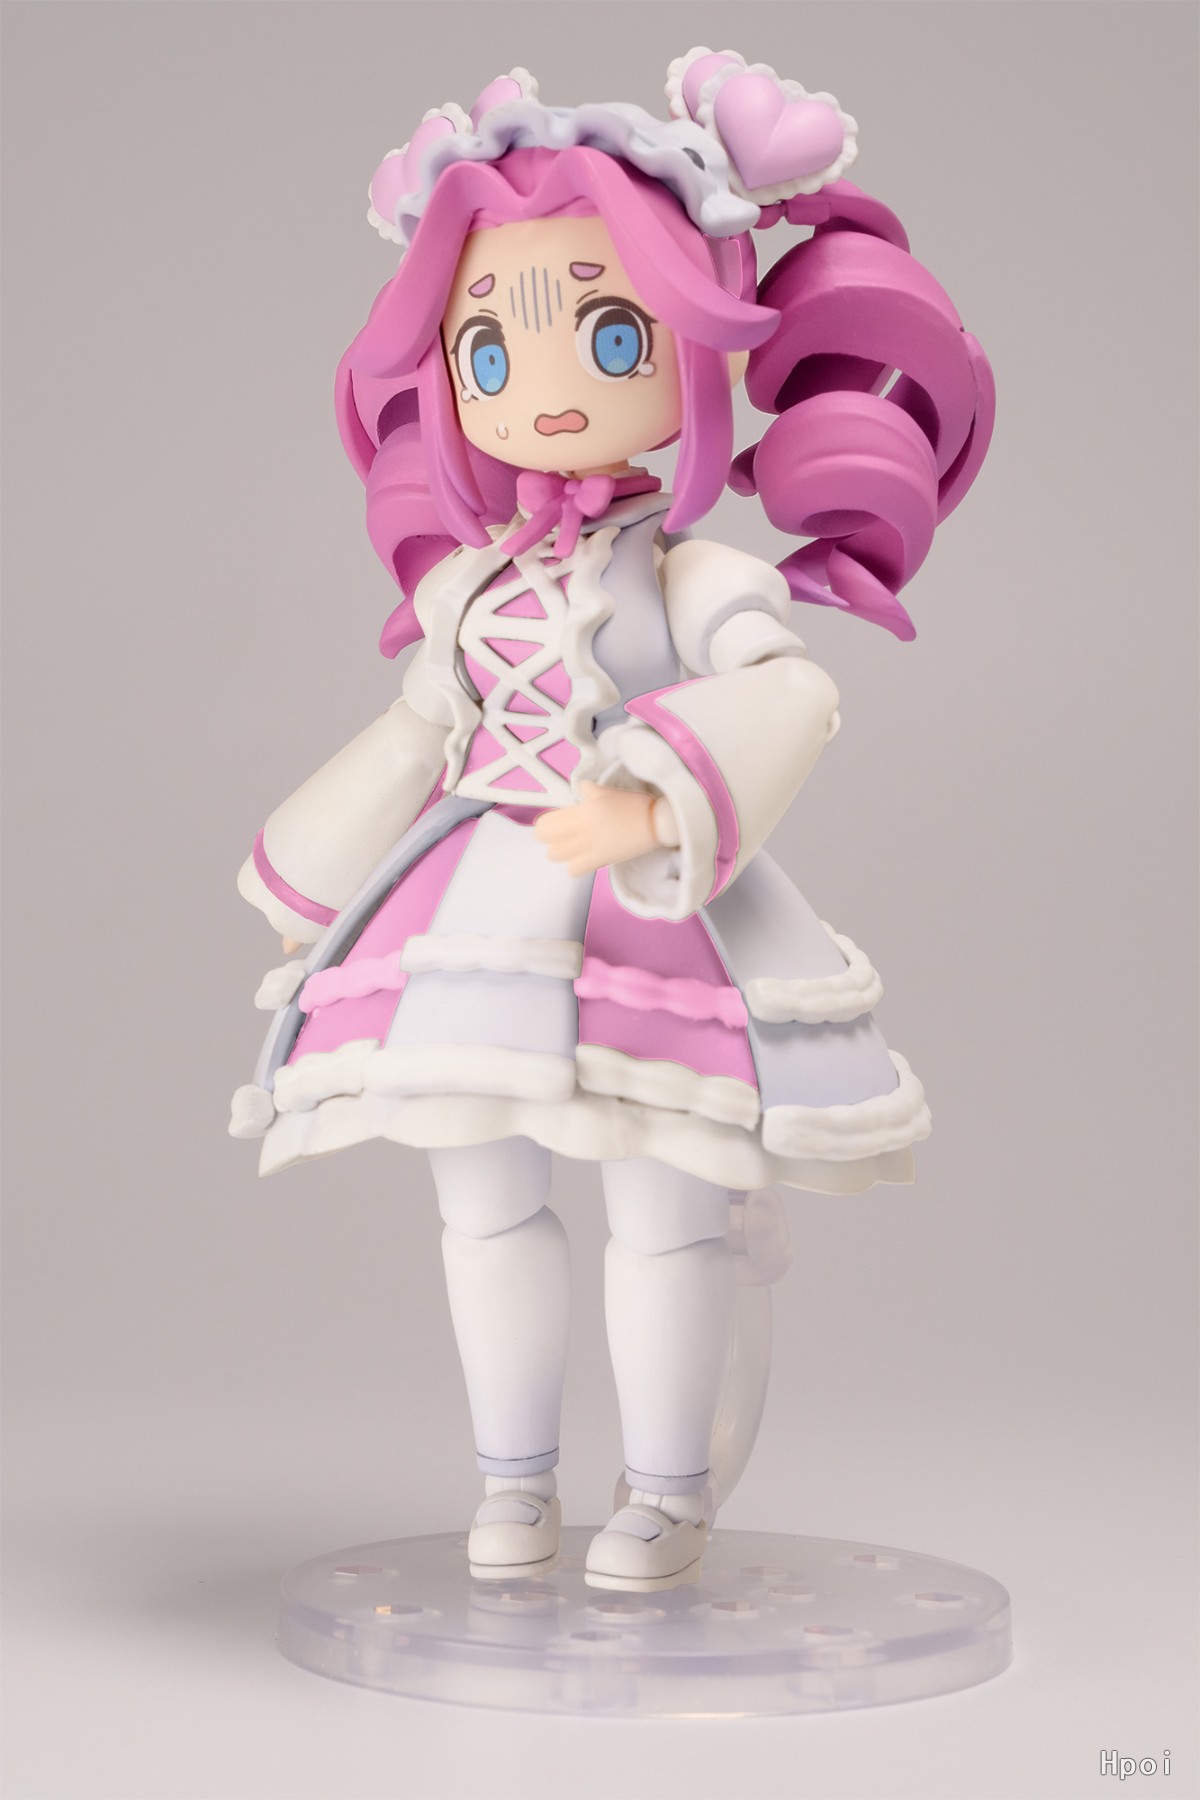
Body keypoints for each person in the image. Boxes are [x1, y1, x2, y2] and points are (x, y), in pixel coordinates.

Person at [230, 51, 993, 1591]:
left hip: (652, 907)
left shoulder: (693, 576)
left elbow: (788, 693)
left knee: (662, 1205)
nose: (547, 382)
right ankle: (514, 1482)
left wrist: (655, 790)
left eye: (613, 329)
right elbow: (420, 732)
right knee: (483, 1201)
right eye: (488, 346)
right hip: (473, 910)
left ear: (698, 337)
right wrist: (311, 872)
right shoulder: (469, 587)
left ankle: (663, 1492)